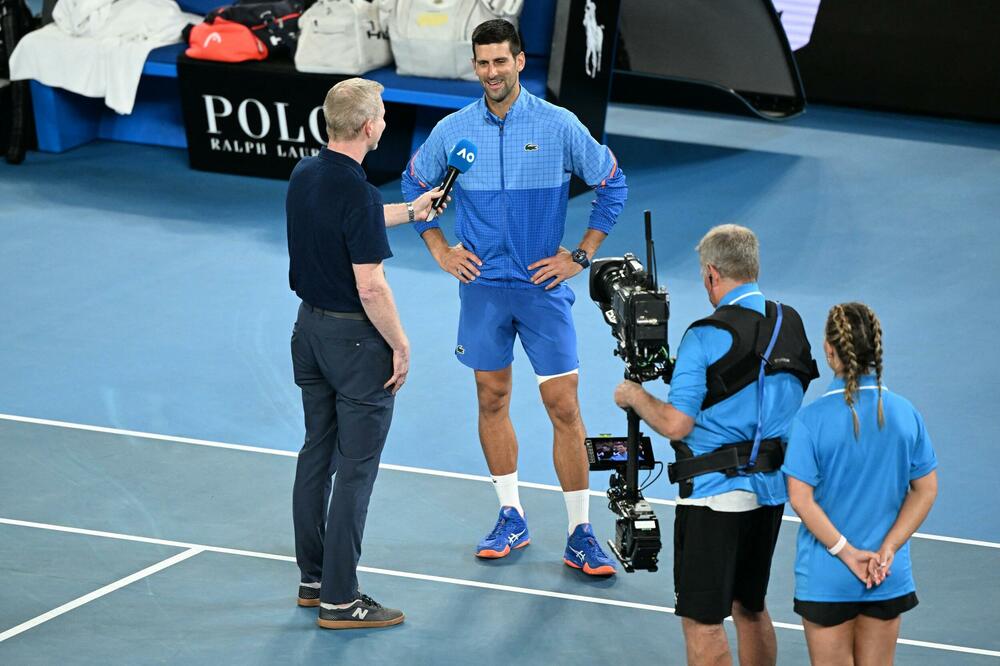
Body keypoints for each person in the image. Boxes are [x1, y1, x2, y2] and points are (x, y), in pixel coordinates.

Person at [400, 19, 628, 575]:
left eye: (501, 61)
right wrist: (439, 248)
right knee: (492, 399)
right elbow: (413, 184)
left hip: (541, 289)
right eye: (483, 63)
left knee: (564, 407)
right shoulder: (454, 130)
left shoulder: (558, 125)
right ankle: (511, 515)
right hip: (483, 290)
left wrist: (580, 255)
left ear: (520, 61)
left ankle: (580, 531)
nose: (492, 72)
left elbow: (612, 183)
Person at [614, 224, 819, 665]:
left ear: (712, 273)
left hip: (713, 498)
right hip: (770, 494)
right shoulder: (791, 322)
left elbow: (675, 423)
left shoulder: (705, 335)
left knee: (703, 621)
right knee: (751, 607)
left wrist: (634, 396)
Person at [286, 77, 444, 630]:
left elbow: (351, 218)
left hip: (308, 333)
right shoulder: (357, 191)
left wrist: (413, 211)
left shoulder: (305, 173)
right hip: (355, 346)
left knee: (317, 455)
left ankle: (313, 581)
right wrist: (399, 343)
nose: (384, 122)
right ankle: (340, 599)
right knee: (355, 471)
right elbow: (371, 286)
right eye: (381, 115)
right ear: (369, 126)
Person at [783, 303, 938, 664]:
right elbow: (926, 489)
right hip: (885, 575)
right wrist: (888, 548)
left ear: (829, 349)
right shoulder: (905, 414)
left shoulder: (810, 421)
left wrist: (846, 552)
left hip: (828, 578)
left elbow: (800, 499)